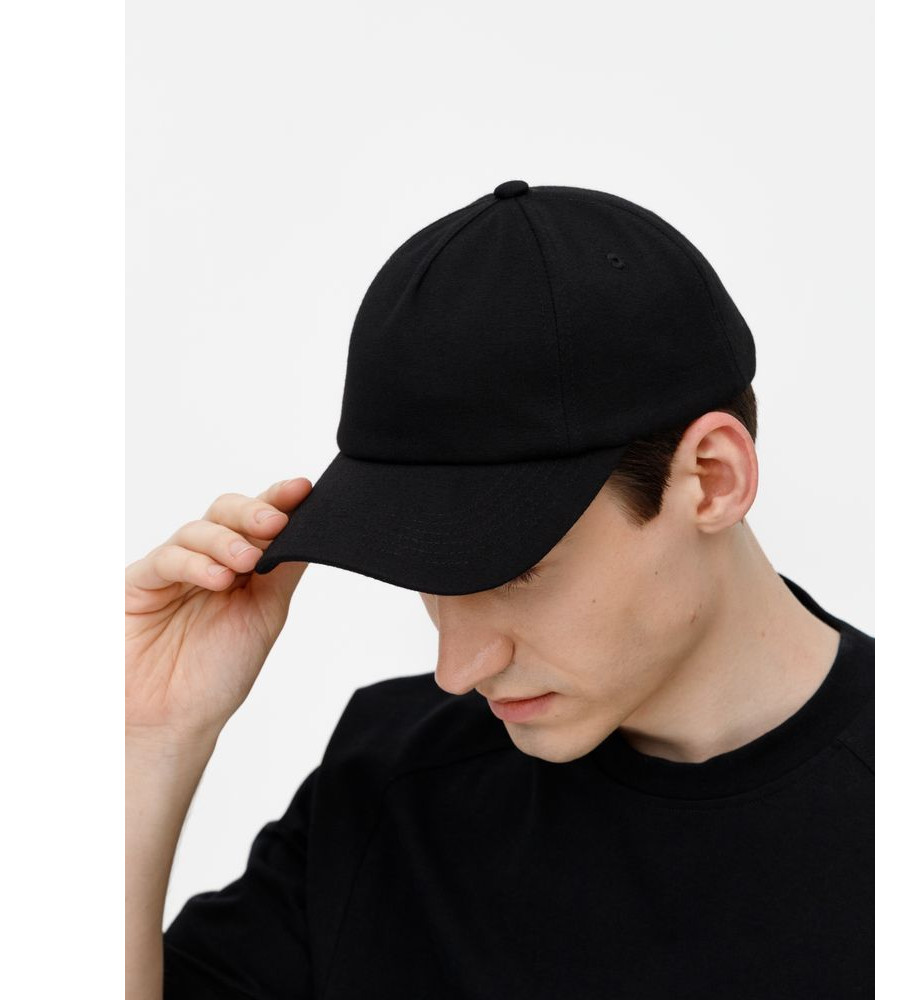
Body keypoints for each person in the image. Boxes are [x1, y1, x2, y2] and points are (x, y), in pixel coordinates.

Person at [126, 181, 874, 999]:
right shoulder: (393, 786)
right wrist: (146, 739)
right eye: (427, 573)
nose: (457, 670)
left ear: (712, 478)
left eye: (515, 572)